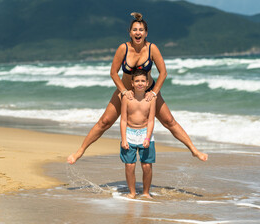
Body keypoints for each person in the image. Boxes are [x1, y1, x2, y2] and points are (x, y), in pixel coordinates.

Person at [67, 12, 207, 165]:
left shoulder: (152, 48)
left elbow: (163, 73)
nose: (138, 33)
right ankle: (80, 151)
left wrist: (154, 93)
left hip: (148, 89)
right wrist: (124, 92)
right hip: (126, 90)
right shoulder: (123, 48)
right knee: (105, 122)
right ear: (130, 32)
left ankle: (194, 150)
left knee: (169, 121)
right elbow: (113, 73)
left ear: (146, 33)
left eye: (141, 30)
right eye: (134, 30)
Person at [120, 69, 156, 199]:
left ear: (147, 83)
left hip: (145, 133)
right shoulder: (127, 98)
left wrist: (147, 137)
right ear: (132, 83)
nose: (140, 83)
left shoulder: (151, 99)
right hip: (129, 133)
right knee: (130, 165)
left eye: (142, 81)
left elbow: (151, 120)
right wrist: (124, 139)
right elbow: (123, 120)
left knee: (146, 165)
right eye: (137, 81)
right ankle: (132, 192)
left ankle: (146, 192)